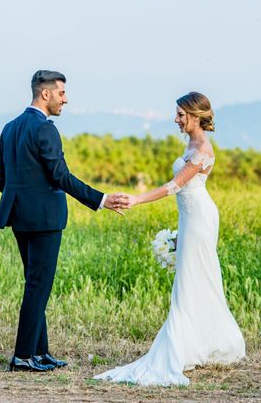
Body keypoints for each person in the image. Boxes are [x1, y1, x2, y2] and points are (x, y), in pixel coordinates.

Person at [94, 91, 245, 386]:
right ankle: (198, 341)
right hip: (189, 217)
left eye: (180, 114)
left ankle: (185, 346)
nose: (175, 119)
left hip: (199, 219)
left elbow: (173, 187)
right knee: (193, 279)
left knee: (192, 279)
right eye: (176, 114)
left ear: (195, 115)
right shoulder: (191, 143)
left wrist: (137, 199)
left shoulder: (203, 149)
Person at [0, 70, 123, 372]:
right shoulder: (45, 129)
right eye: (62, 93)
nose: (66, 99)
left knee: (36, 285)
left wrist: (22, 200)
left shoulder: (10, 127)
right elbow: (60, 176)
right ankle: (24, 356)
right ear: (46, 93)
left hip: (19, 219)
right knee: (38, 286)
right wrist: (101, 199)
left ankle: (41, 351)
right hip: (45, 221)